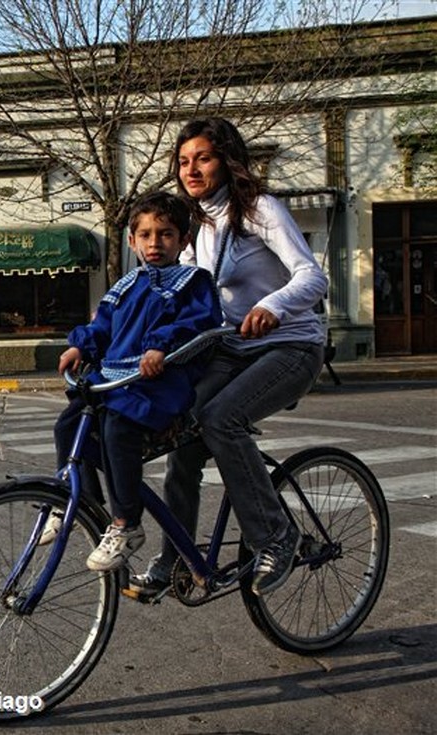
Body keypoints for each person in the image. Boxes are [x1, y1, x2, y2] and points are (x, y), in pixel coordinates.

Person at [130, 118, 329, 599]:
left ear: (226, 160)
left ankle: (277, 538)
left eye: (203, 158)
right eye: (183, 161)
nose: (191, 169)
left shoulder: (260, 210)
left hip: (291, 345)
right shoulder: (196, 227)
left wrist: (272, 306)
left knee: (221, 418)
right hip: (230, 350)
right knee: (181, 437)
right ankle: (175, 560)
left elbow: (312, 277)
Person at [48, 190, 222, 572]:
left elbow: (195, 323)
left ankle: (127, 522)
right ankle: (80, 506)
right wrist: (82, 346)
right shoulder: (126, 284)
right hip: (116, 378)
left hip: (159, 382)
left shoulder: (193, 281)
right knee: (68, 425)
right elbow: (103, 325)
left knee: (117, 430)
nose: (155, 243)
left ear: (183, 240)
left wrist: (161, 347)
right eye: (146, 235)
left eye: (165, 234)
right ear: (132, 240)